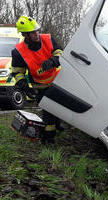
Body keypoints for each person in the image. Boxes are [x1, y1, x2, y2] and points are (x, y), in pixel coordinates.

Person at [11, 16, 62, 144]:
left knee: (57, 111)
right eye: (33, 32)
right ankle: (49, 139)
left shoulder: (48, 39)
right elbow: (18, 71)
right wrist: (24, 86)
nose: (37, 34)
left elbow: (60, 52)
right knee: (48, 112)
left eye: (37, 30)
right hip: (40, 86)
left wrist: (53, 60)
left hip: (58, 82)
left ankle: (56, 129)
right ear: (25, 35)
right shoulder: (18, 51)